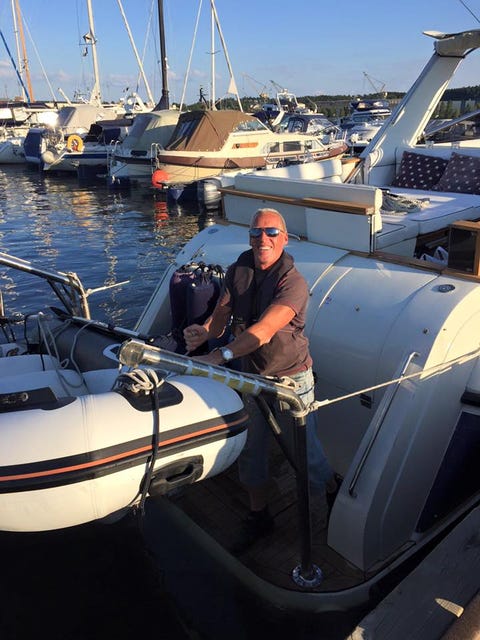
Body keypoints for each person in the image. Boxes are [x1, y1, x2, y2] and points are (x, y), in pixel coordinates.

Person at [183, 207, 338, 550]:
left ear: (285, 238)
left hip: (289, 381)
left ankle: (331, 492)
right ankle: (259, 516)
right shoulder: (238, 269)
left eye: (270, 232)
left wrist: (219, 355)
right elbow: (222, 314)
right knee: (251, 451)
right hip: (250, 377)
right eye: (255, 233)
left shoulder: (293, 283)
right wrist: (205, 332)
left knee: (306, 455)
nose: (262, 239)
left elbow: (264, 331)